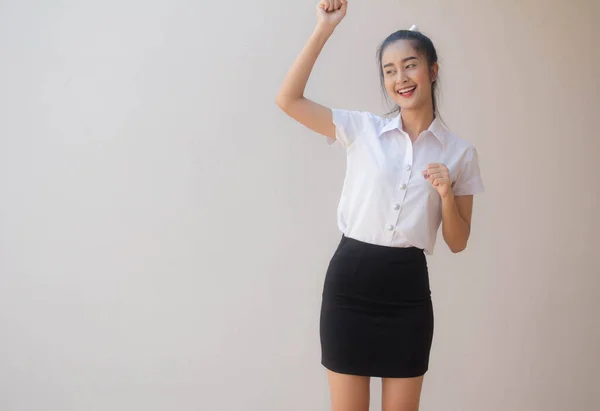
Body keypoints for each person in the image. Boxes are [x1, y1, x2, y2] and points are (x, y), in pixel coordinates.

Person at [275, 1, 484, 410]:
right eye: (389, 71)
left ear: (432, 70)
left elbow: (458, 242)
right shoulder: (363, 129)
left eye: (410, 65)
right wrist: (324, 28)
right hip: (350, 287)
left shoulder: (460, 153)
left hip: (407, 294)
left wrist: (445, 196)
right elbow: (288, 99)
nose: (400, 78)